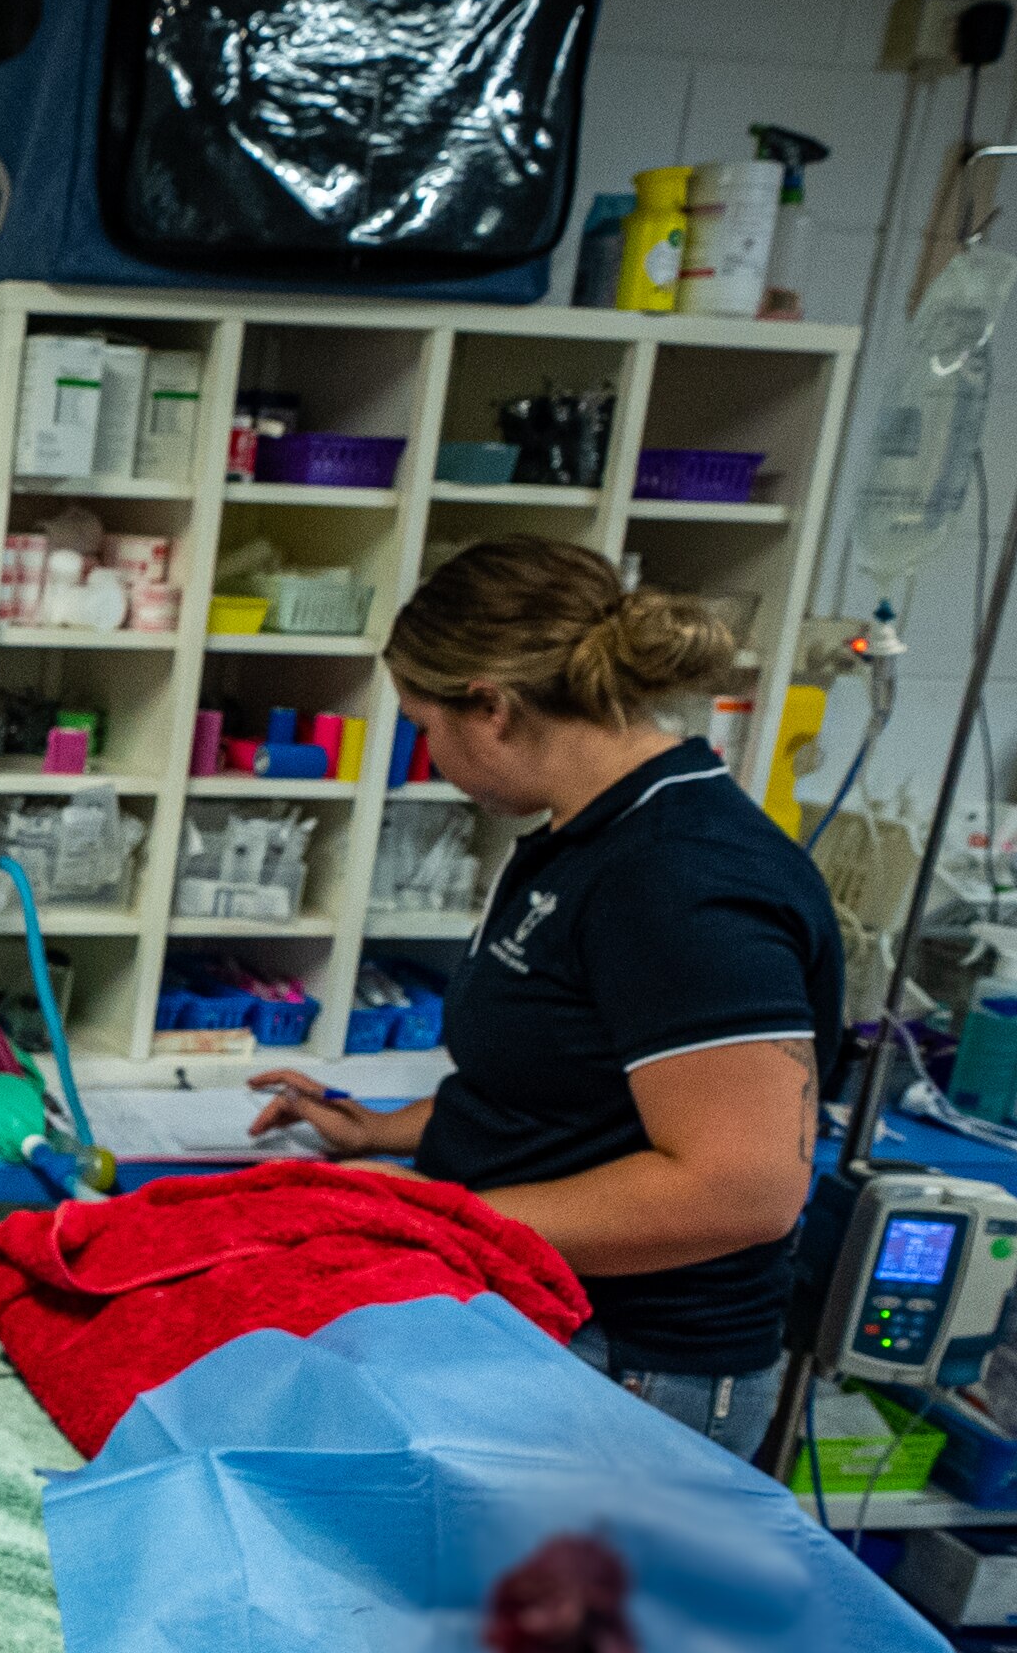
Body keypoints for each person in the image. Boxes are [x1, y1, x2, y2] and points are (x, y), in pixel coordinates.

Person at [246, 538, 837, 1456]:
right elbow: (563, 1089)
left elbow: (741, 1189)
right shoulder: (584, 839)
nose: (427, 751)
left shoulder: (680, 874)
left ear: (491, 706)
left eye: (423, 724)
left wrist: (430, 1221)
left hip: (637, 1370)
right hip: (542, 1320)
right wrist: (383, 1131)